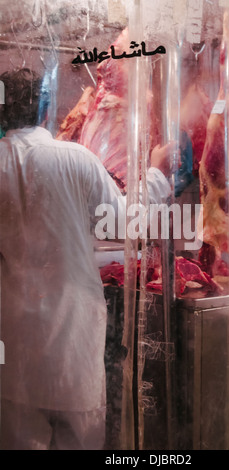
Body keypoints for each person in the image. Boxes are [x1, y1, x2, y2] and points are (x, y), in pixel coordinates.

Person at [0, 68, 174, 450]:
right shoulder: (73, 158)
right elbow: (126, 222)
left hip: (12, 343)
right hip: (71, 340)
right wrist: (157, 174)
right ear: (44, 108)